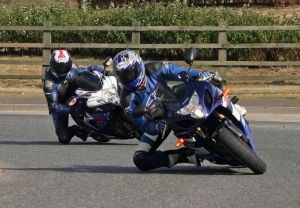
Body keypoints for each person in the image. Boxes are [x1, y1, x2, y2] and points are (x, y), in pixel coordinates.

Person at [113, 49, 246, 171]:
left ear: (139, 65)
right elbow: (144, 125)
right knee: (140, 159)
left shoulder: (156, 68)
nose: (129, 78)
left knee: (213, 81)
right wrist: (157, 126)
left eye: (131, 73)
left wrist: (201, 74)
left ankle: (230, 107)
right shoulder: (126, 99)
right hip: (161, 121)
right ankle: (184, 156)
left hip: (180, 100)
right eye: (124, 76)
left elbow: (181, 72)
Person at [43, 49, 105, 144]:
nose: (62, 70)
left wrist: (106, 72)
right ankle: (80, 130)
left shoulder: (73, 69)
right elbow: (53, 107)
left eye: (65, 67)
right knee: (63, 137)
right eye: (58, 67)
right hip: (61, 104)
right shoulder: (49, 83)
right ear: (52, 66)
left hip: (77, 95)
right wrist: (71, 109)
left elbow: (90, 69)